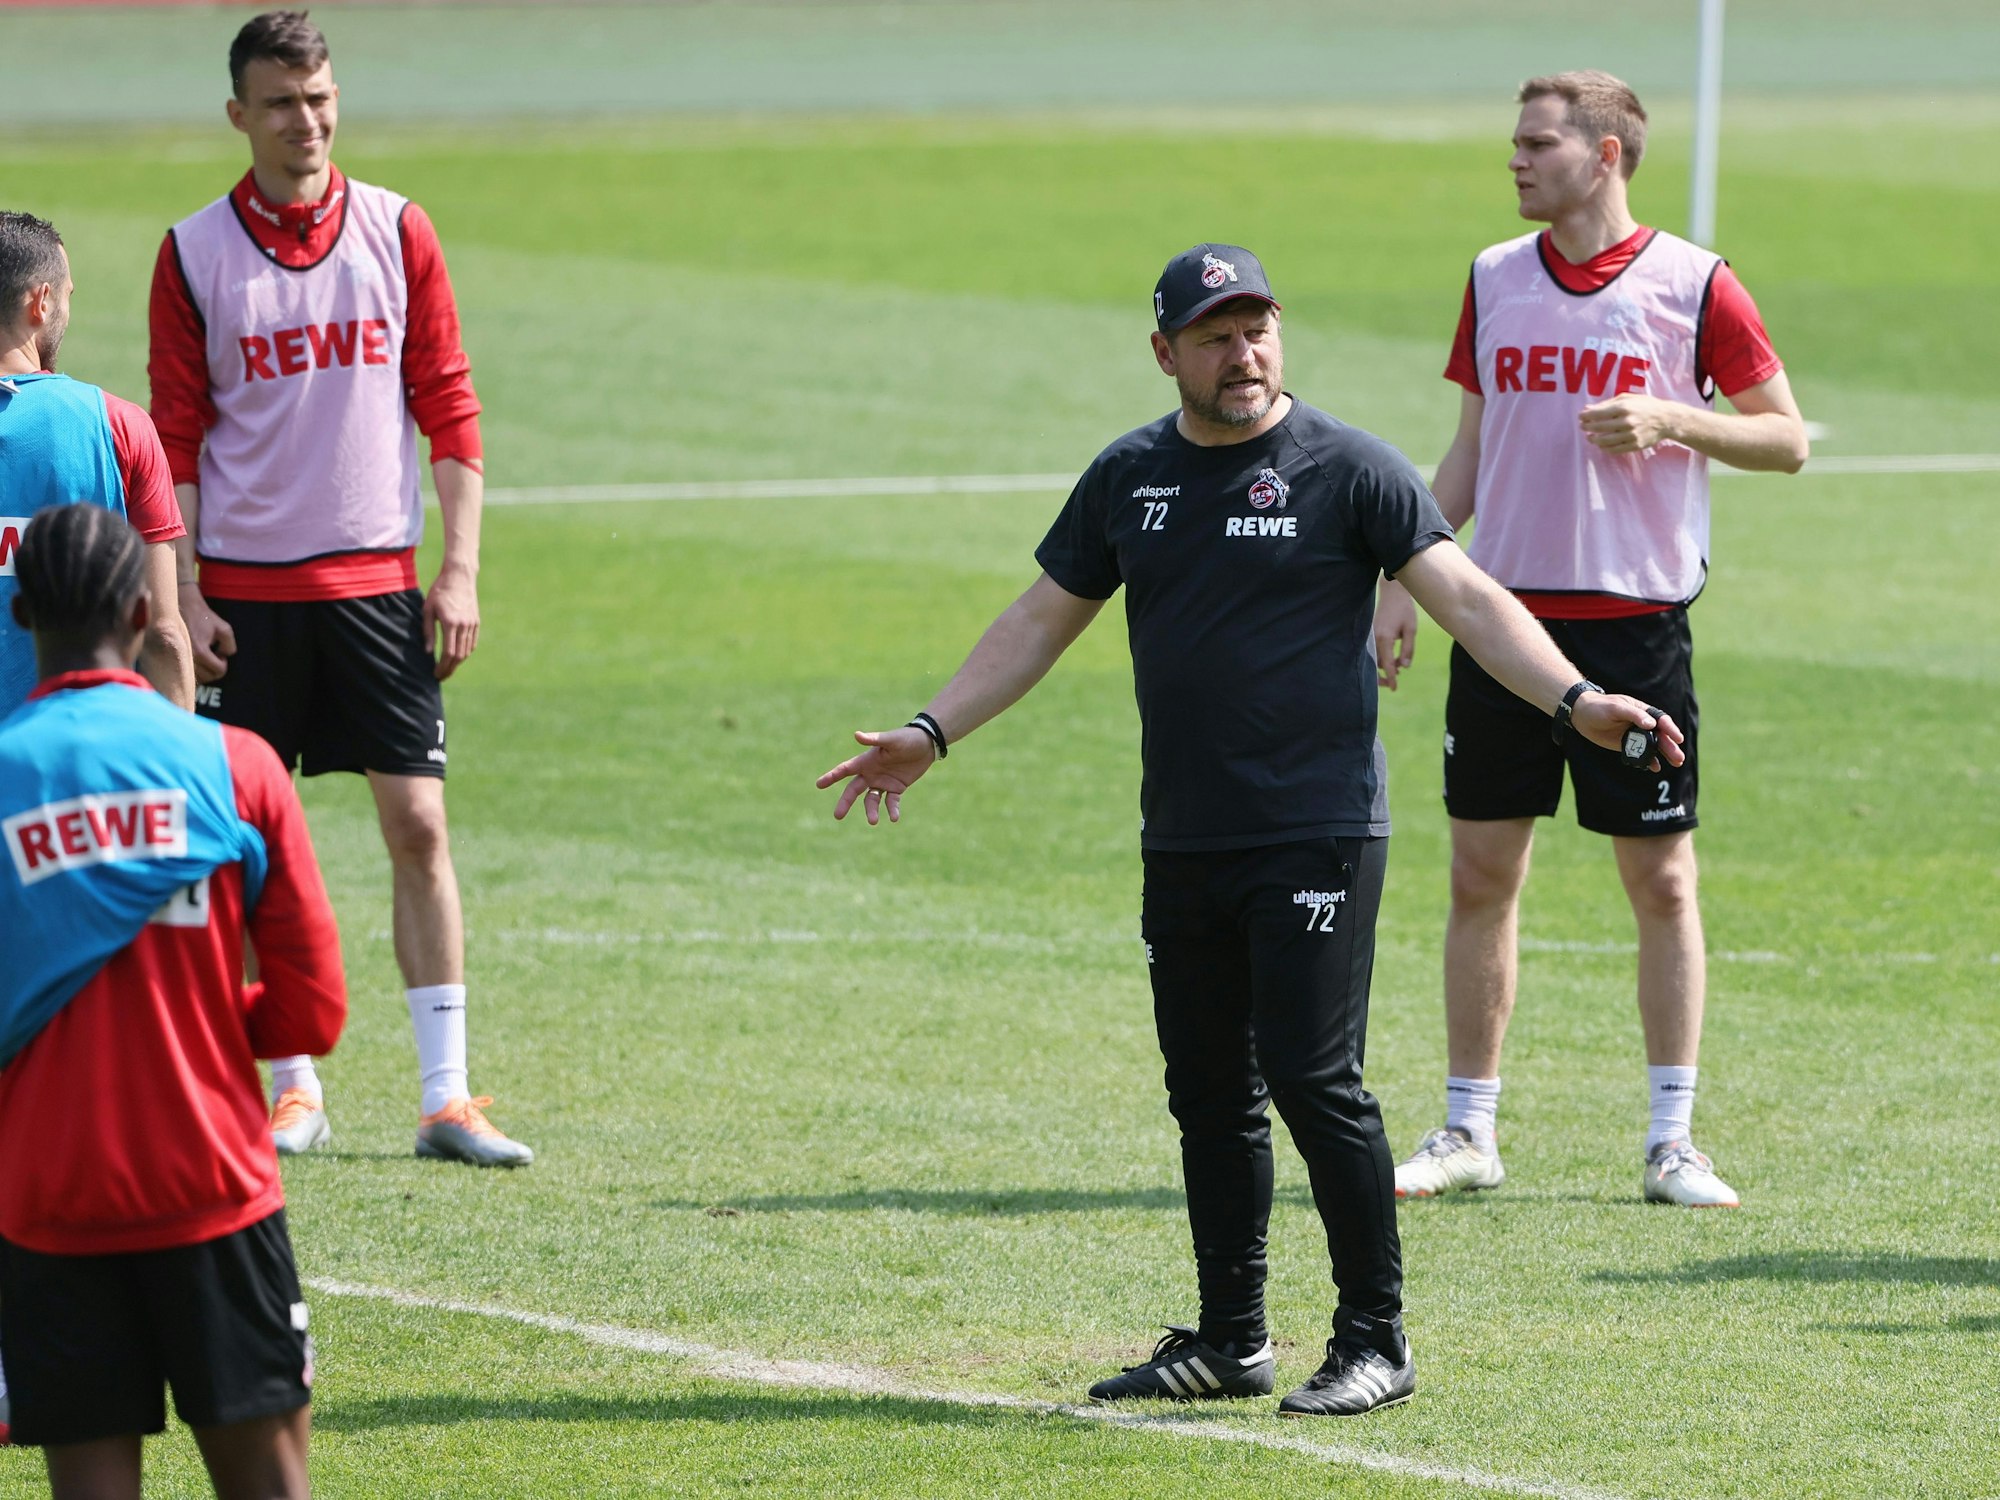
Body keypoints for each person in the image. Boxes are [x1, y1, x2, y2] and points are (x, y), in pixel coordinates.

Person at [817, 244, 1681, 1416]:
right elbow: (1039, 619)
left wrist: (1577, 702)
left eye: (1257, 328)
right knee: (1209, 1093)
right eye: (1216, 335)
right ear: (1166, 351)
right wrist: (932, 728)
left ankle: (1375, 1341)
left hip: (1317, 827)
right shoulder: (1128, 478)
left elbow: (1469, 599)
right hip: (1183, 834)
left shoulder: (1348, 469)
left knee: (1316, 1083)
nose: (1244, 354)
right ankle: (1231, 1339)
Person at [1375, 72, 1808, 1209]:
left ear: (1604, 155)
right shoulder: (1492, 276)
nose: (1512, 161)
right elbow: (1467, 452)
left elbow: (1784, 439)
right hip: (1501, 619)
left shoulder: (1692, 282)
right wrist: (1403, 570)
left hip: (1635, 625)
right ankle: (1468, 1129)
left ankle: (1671, 1141)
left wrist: (1671, 417)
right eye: (1512, 142)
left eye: (1535, 143)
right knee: (1480, 874)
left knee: (1659, 882)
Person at [148, 11, 530, 1165]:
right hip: (242, 599)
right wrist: (185, 596)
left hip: (378, 588)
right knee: (248, 845)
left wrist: (456, 567)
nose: (304, 122)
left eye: (318, 99)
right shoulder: (193, 250)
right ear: (238, 115)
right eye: (279, 103)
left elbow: (449, 410)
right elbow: (172, 441)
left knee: (418, 825)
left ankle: (446, 1096)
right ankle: (290, 1086)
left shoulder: (397, 229)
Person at [0, 504, 348, 1500]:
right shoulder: (233, 767)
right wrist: (195, 1034)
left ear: (23, 613)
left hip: (46, 1197)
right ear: (145, 607)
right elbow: (312, 1013)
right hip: (209, 1184)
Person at [1, 210, 192, 714]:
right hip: (76, 762)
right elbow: (162, 630)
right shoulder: (117, 425)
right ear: (41, 302)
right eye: (67, 296)